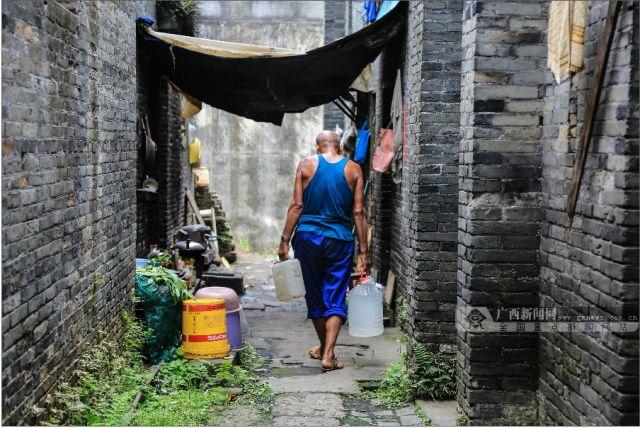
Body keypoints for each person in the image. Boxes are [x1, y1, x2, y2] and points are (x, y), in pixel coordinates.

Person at [278, 130, 370, 371]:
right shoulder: (354, 169)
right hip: (339, 239)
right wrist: (364, 252)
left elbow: (297, 205)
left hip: (307, 238)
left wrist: (284, 241)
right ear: (340, 147)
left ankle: (324, 350)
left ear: (317, 147)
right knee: (336, 294)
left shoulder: (306, 165)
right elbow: (358, 213)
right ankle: (328, 354)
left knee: (315, 294)